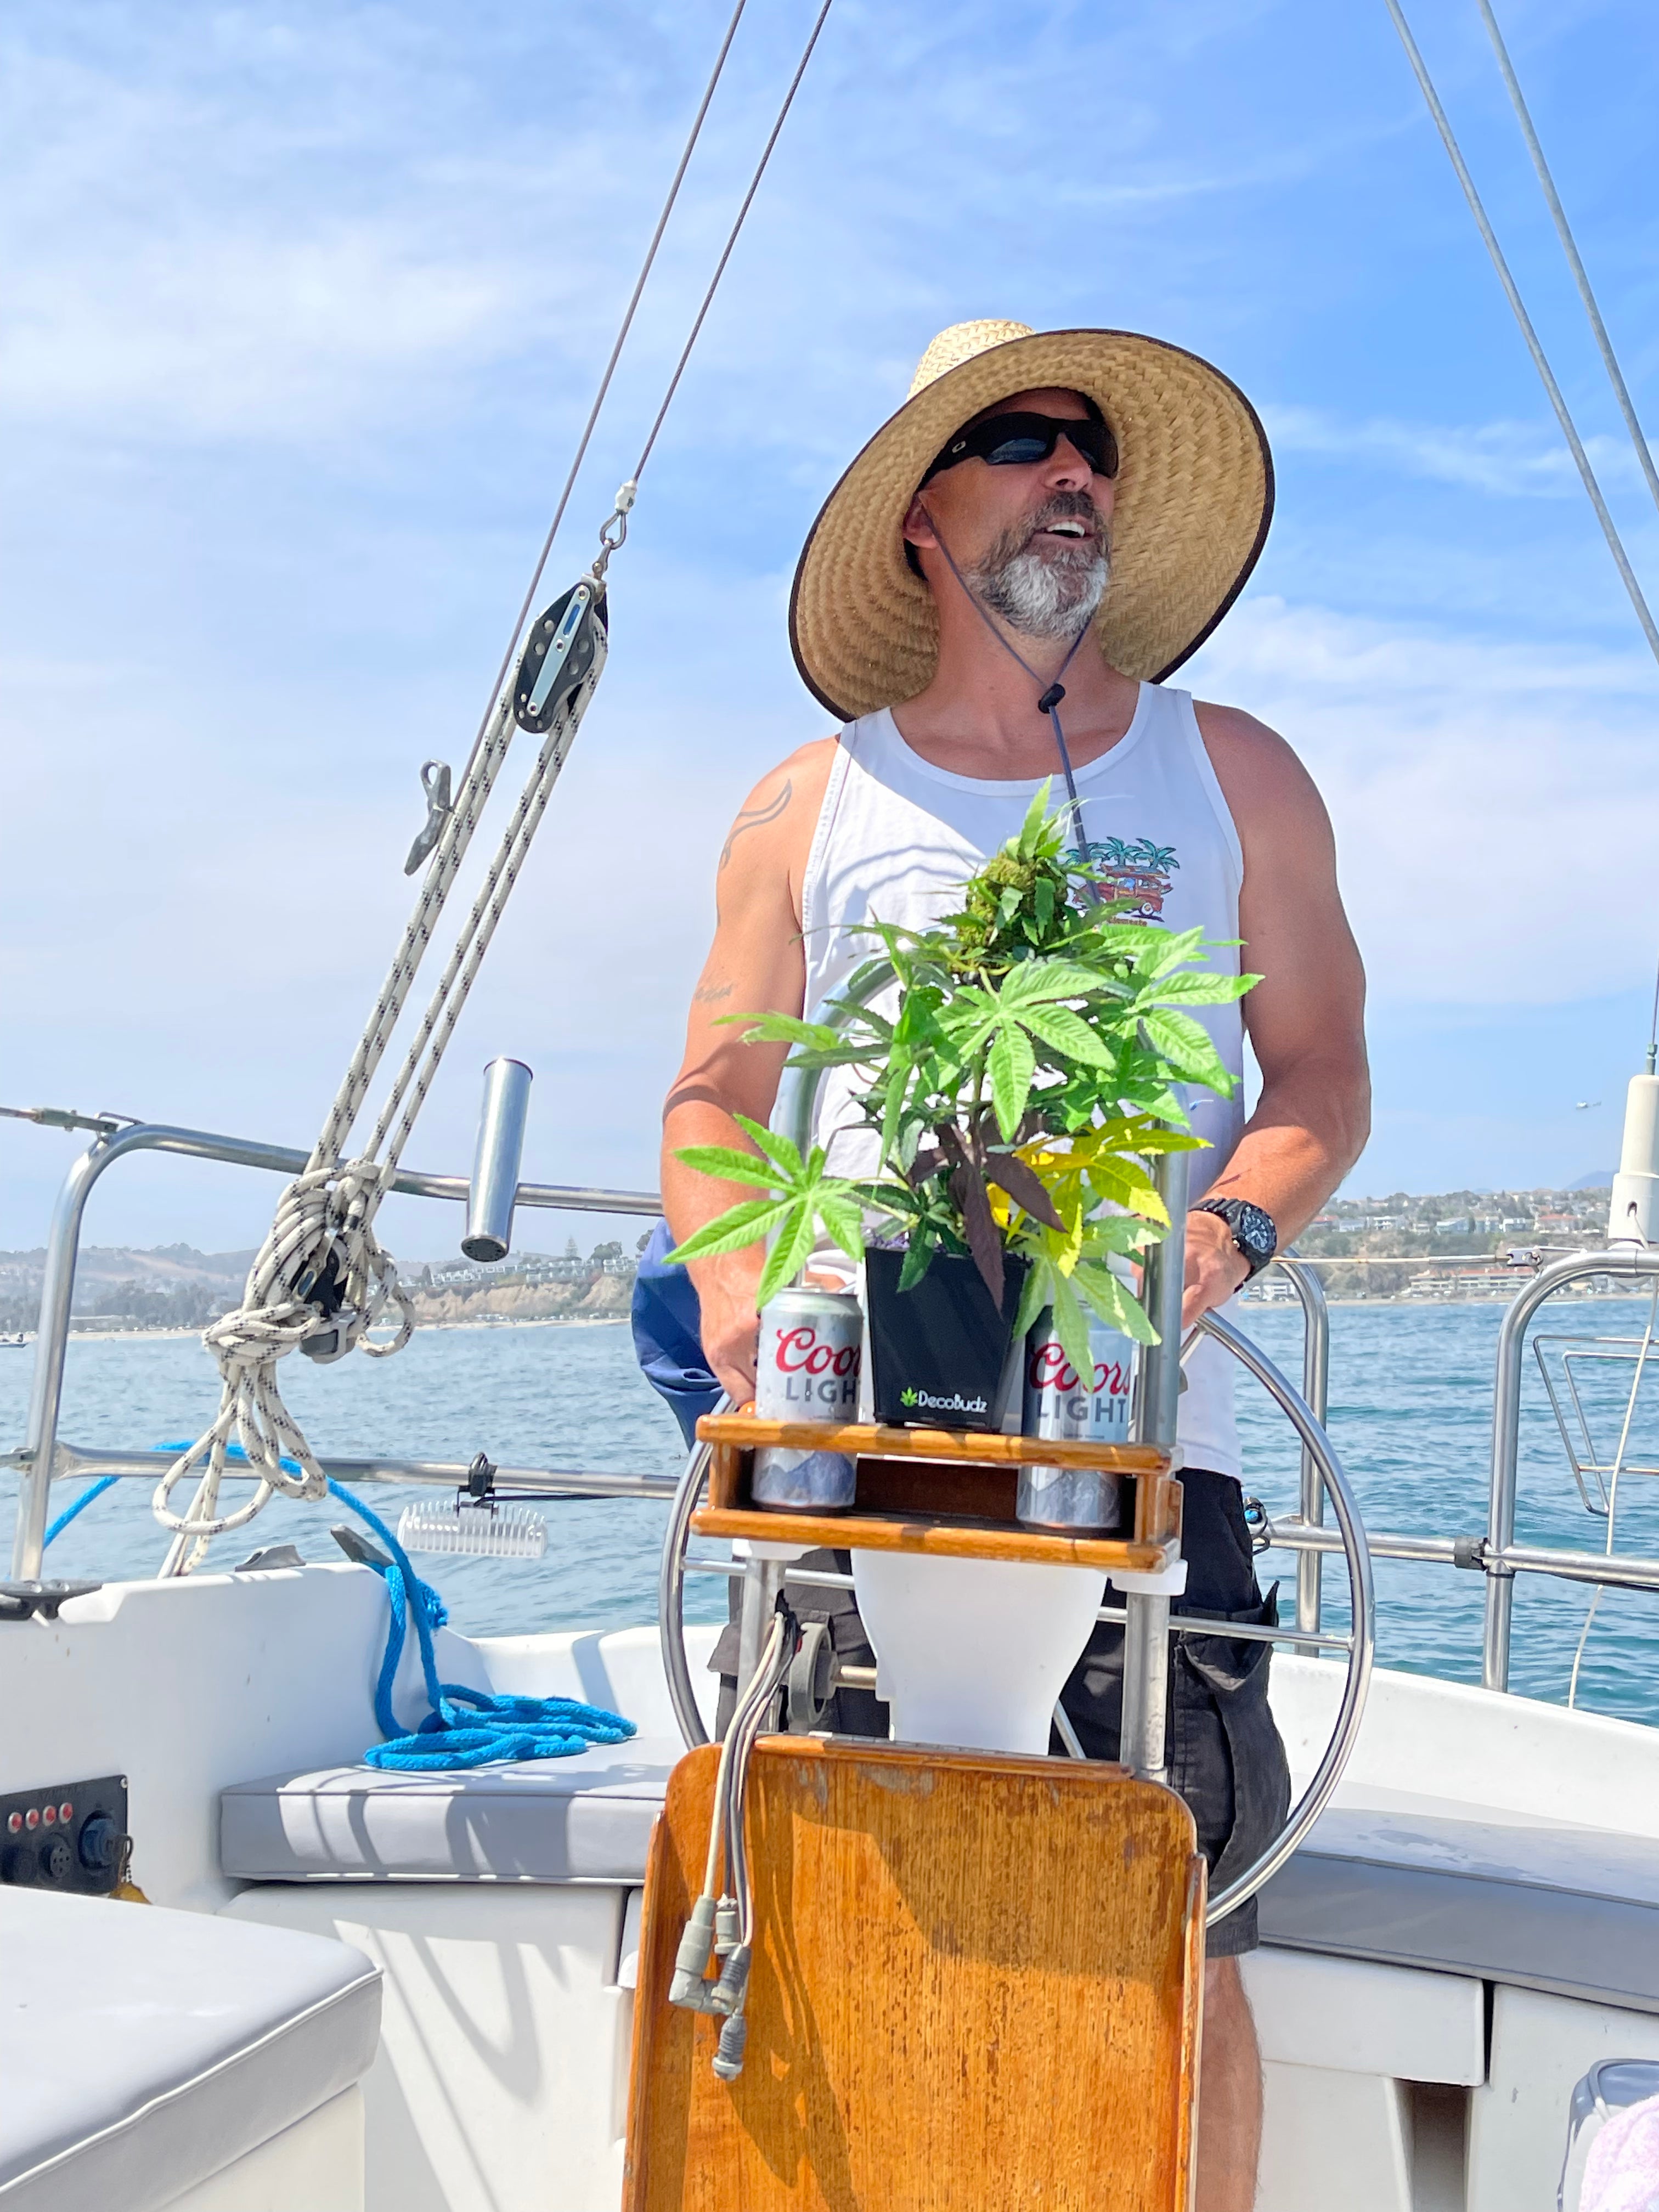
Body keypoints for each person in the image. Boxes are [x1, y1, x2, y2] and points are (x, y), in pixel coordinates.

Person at [647, 319, 1370, 2211]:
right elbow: (720, 1103)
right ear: (919, 517)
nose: (1078, 473)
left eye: (1096, 448)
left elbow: (1322, 1078)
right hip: (859, 1465)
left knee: (1180, 1930)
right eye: (1023, 438)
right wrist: (743, 1299)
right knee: (841, 1888)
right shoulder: (809, 806)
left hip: (1148, 1446)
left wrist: (1225, 1232)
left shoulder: (1240, 780)